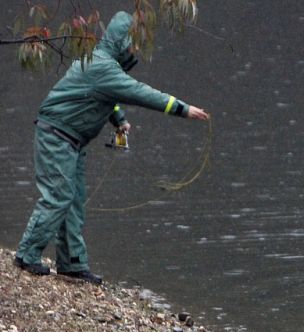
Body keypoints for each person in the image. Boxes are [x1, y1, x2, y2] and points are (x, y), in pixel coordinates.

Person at [13, 11, 209, 285]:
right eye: (131, 45)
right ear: (120, 42)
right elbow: (140, 92)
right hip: (56, 136)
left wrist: (118, 120)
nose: (134, 51)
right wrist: (182, 109)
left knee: (73, 200)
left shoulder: (97, 62)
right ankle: (26, 255)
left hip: (71, 139)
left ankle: (72, 264)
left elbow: (104, 96)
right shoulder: (103, 68)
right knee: (59, 196)